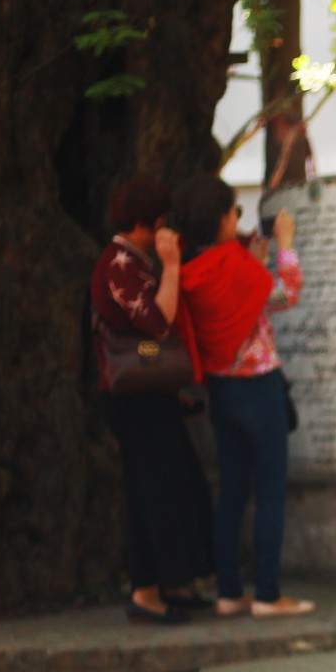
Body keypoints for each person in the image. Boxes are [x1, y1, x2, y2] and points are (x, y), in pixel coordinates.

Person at [171, 176, 315, 618]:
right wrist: (285, 245)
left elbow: (234, 299)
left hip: (220, 389)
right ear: (220, 220)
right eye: (234, 212)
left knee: (232, 491)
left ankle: (229, 593)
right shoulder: (234, 265)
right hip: (259, 386)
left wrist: (252, 260)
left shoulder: (192, 270)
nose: (238, 218)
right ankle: (269, 595)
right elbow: (285, 293)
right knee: (270, 491)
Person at [89, 178, 213, 625]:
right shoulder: (120, 264)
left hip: (150, 391)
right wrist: (172, 266)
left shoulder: (133, 261)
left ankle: (175, 582)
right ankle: (146, 592)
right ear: (143, 223)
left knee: (176, 486)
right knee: (151, 493)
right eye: (160, 222)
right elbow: (156, 327)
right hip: (133, 397)